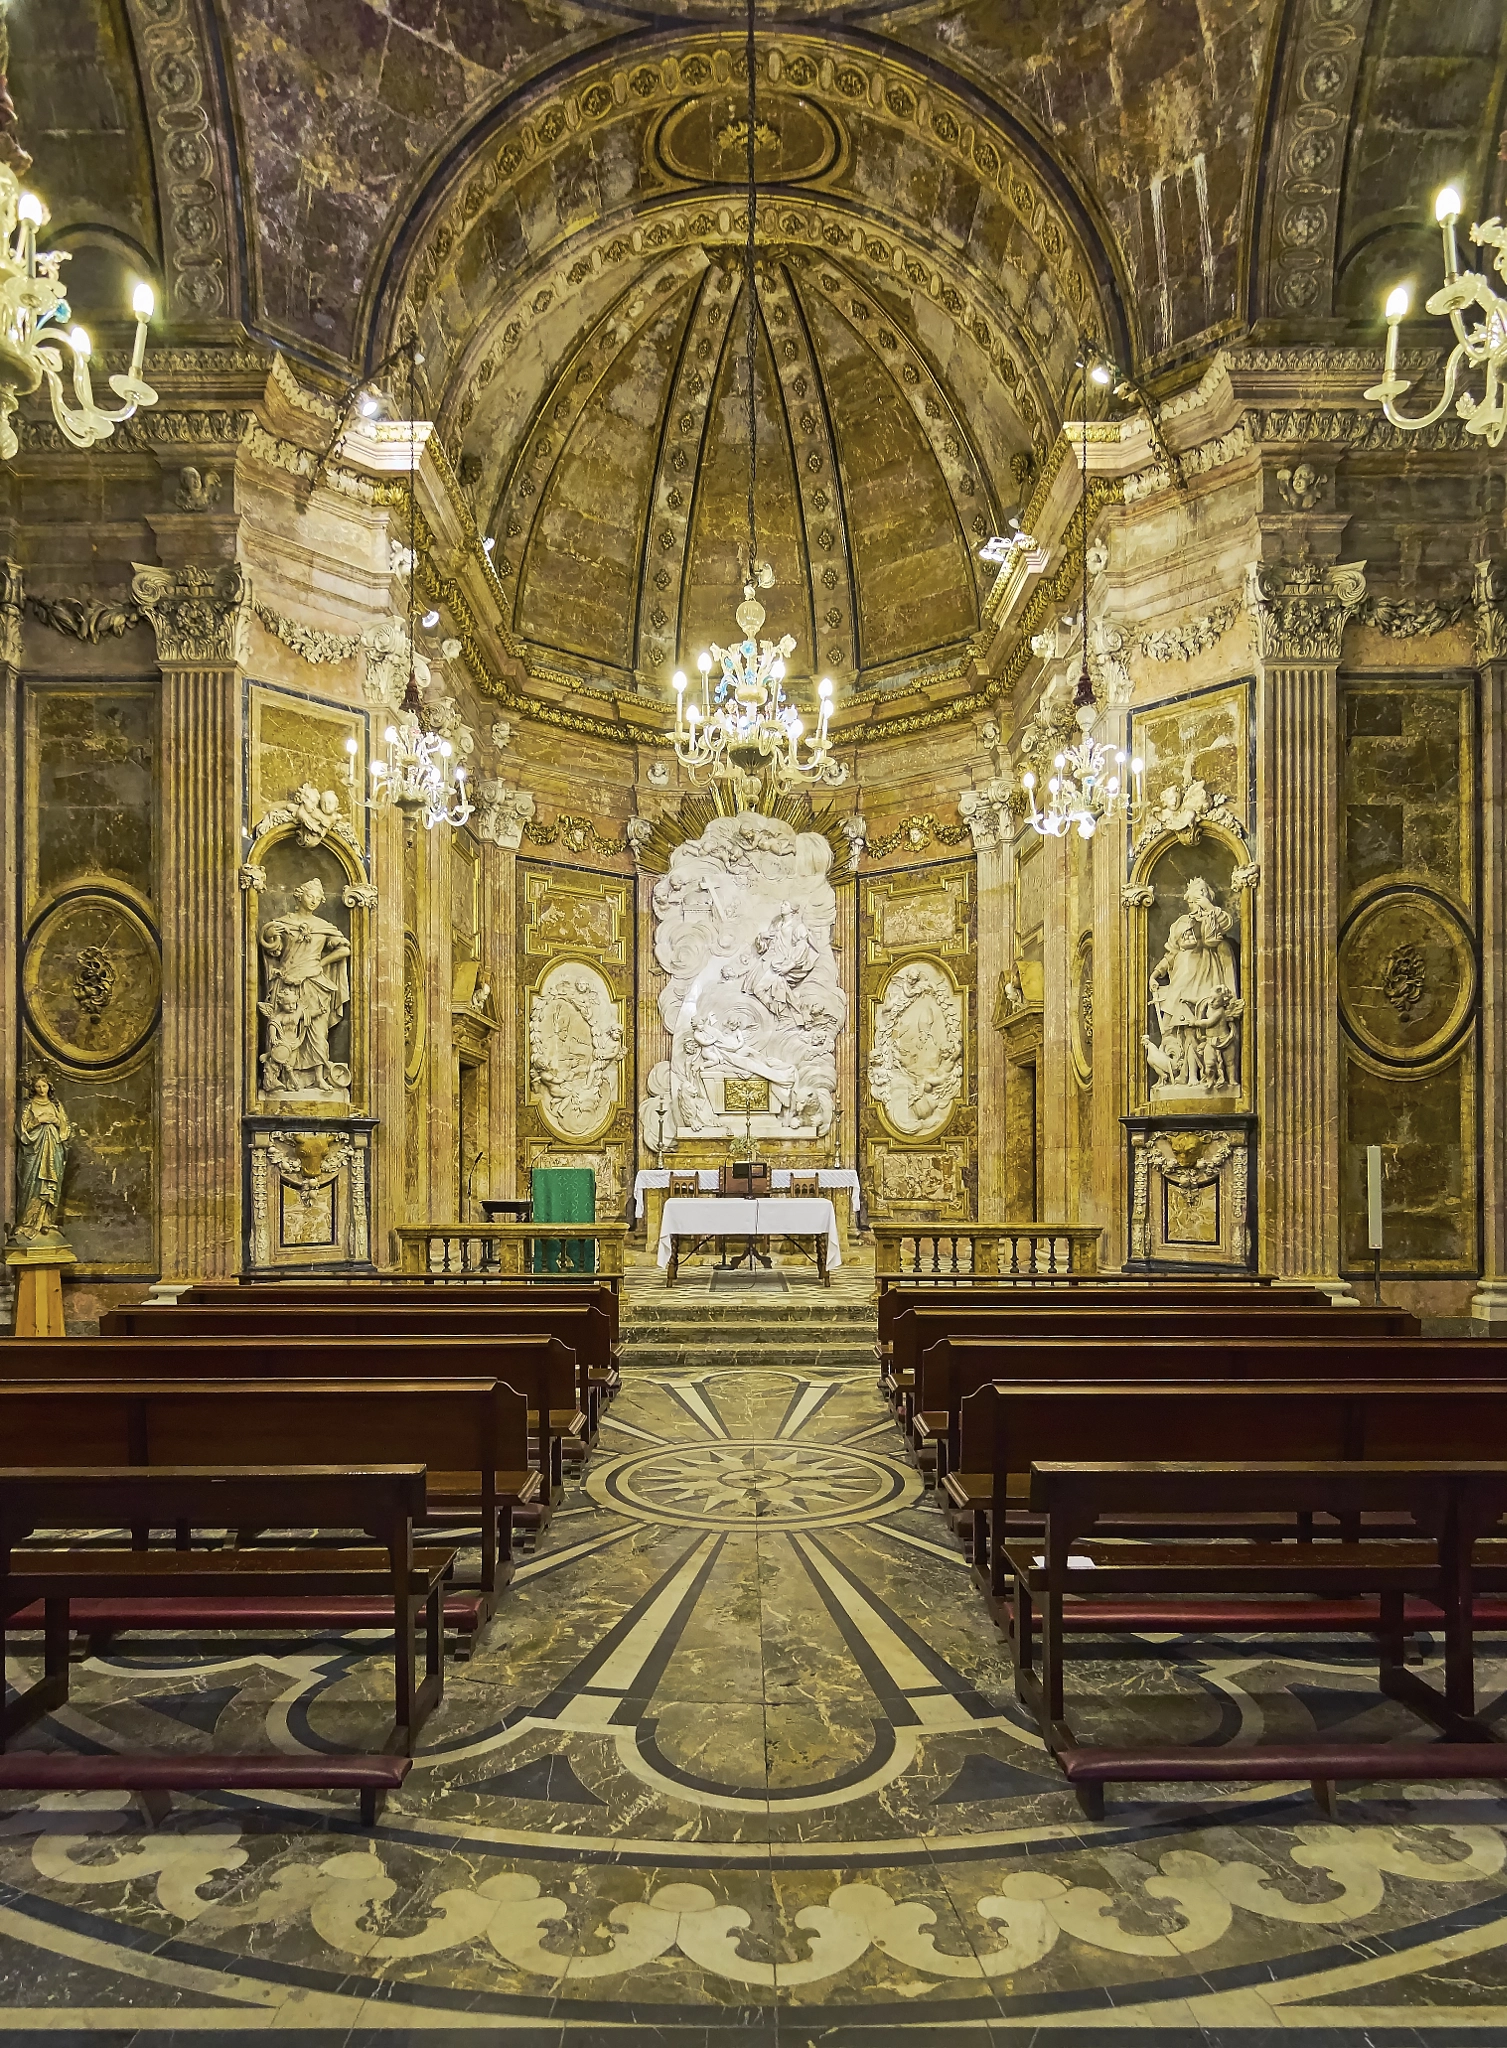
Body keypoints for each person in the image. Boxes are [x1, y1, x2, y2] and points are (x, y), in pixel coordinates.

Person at [258, 877, 353, 1097]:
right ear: (300, 896)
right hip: (288, 986)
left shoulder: (323, 927)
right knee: (285, 1030)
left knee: (318, 1032)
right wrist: (271, 934)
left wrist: (321, 963)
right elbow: (273, 949)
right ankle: (280, 1077)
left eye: (318, 899)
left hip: (314, 984)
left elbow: (344, 949)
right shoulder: (285, 922)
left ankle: (319, 1078)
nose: (314, 901)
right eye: (310, 896)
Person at [1146, 876, 1240, 1087]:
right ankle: (1185, 1073)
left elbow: (1224, 925)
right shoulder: (1179, 924)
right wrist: (1155, 974)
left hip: (1207, 979)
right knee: (1182, 1028)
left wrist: (1208, 908)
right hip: (1182, 980)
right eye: (1195, 894)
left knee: (1203, 1029)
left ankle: (1207, 1075)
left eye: (1201, 893)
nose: (1196, 898)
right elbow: (1170, 954)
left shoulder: (1213, 918)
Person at [15, 1073, 73, 1237]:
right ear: (33, 1088)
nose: (41, 1089)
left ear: (49, 1087)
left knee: (50, 1186)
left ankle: (46, 1221)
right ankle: (28, 1222)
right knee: (34, 1185)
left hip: (54, 1149)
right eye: (38, 1086)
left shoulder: (56, 1105)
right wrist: (38, 1121)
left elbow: (66, 1128)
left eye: (44, 1086)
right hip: (34, 1151)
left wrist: (56, 1122)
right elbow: (21, 1130)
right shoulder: (28, 1106)